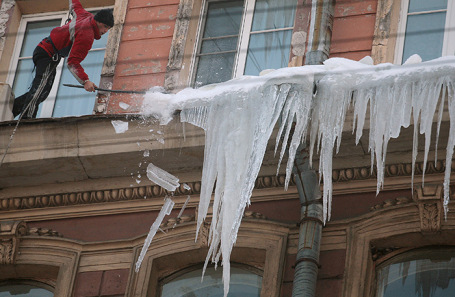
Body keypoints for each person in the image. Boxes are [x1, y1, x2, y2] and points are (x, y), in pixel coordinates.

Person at [12, 0, 114, 119]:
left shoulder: (85, 15)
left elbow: (75, 5)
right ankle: (26, 121)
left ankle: (13, 108)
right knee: (40, 89)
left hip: (45, 51)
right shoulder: (86, 35)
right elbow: (72, 62)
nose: (106, 31)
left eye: (109, 28)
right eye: (105, 27)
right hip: (47, 53)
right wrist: (85, 81)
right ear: (98, 21)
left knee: (43, 92)